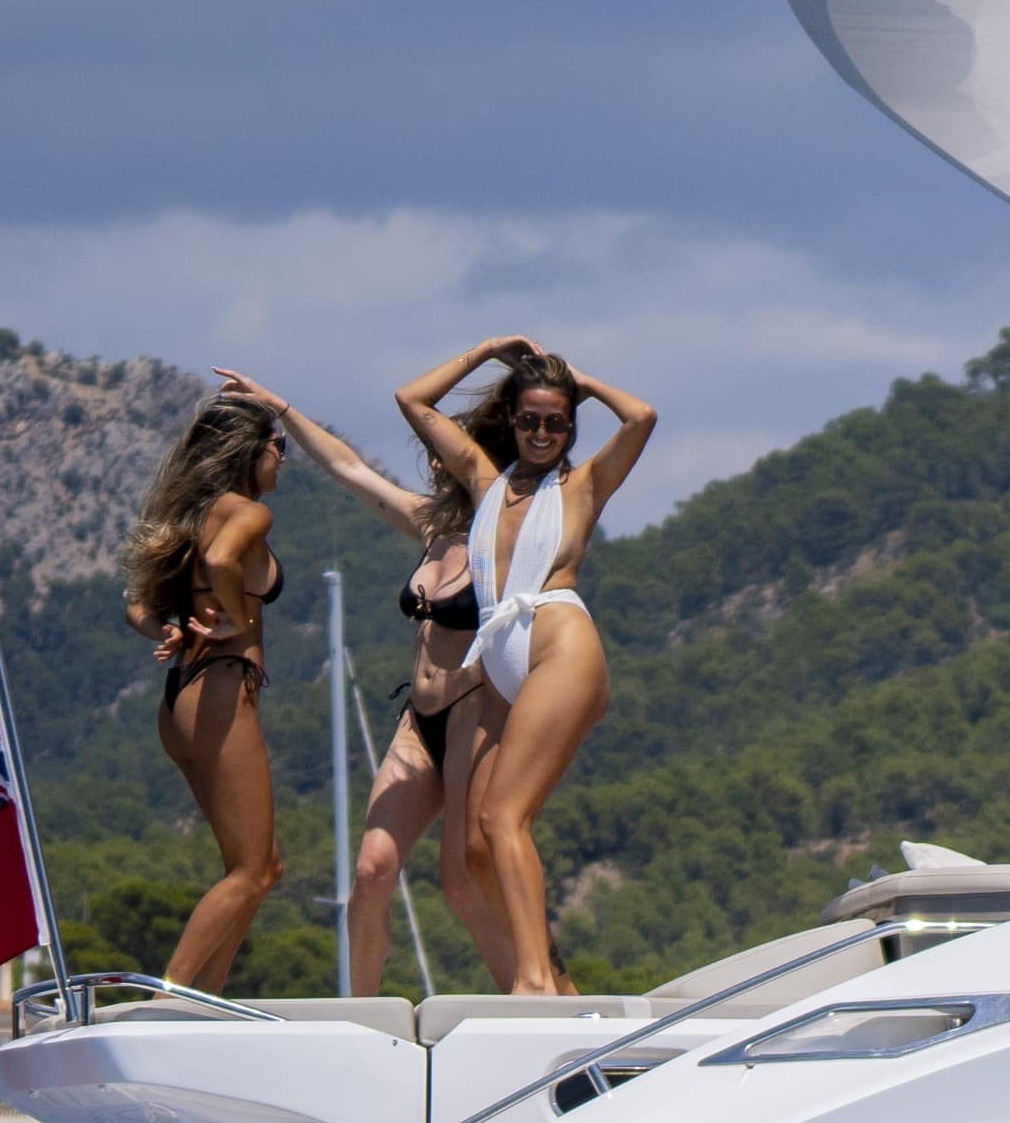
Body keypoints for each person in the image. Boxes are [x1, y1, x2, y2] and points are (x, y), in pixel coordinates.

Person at [393, 335, 657, 998]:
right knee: (477, 850)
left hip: (559, 647)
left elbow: (642, 416)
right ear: (511, 420)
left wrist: (579, 381)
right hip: (501, 663)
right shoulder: (486, 482)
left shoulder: (584, 485)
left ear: (571, 426)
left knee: (503, 817)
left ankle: (532, 981)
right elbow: (412, 400)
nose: (542, 432)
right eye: (530, 419)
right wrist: (488, 351)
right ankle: (557, 986)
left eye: (556, 422)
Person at [222, 369, 500, 993]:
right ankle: (362, 1012)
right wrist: (280, 406)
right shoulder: (431, 527)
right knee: (372, 870)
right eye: (431, 454)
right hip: (417, 720)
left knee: (462, 880)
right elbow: (348, 468)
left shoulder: (504, 539)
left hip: (473, 713)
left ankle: (531, 992)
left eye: (444, 453)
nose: (434, 464)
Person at [115, 390, 286, 987]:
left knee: (262, 867)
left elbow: (136, 605)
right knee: (251, 872)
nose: (282, 460)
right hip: (220, 690)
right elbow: (220, 562)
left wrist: (165, 630)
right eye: (278, 447)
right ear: (251, 451)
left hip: (181, 698)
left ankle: (201, 999)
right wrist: (237, 619)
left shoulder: (188, 515)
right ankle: (168, 1001)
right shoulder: (248, 514)